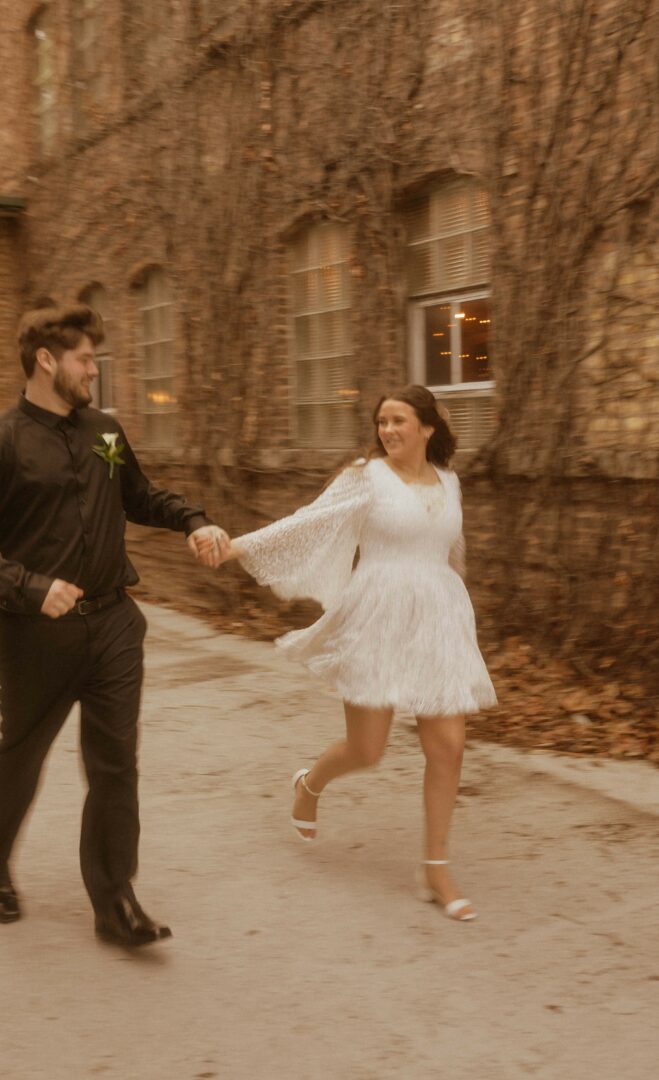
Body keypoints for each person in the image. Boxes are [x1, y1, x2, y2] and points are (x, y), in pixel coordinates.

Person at [216, 385, 496, 921]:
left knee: (449, 747)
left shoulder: (450, 482)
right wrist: (238, 547)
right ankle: (310, 784)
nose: (387, 430)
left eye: (398, 420)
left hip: (438, 621)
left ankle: (435, 869)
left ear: (427, 428)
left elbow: (450, 552)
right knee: (368, 750)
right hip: (377, 618)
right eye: (381, 422)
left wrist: (457, 617)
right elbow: (310, 520)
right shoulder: (367, 477)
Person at [0, 303, 229, 946]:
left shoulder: (104, 430)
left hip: (113, 627)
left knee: (116, 765)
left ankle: (114, 900)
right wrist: (31, 587)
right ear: (46, 360)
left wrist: (194, 520)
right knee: (18, 759)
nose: (94, 371)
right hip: (34, 636)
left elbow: (139, 495)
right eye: (85, 360)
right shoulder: (6, 440)